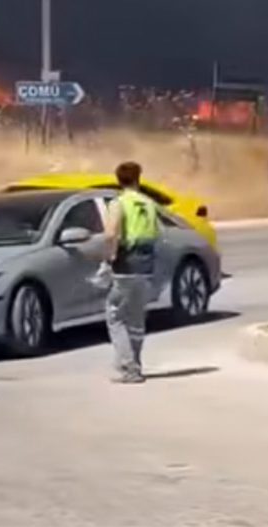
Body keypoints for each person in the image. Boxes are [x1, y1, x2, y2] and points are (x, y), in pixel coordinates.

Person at [101, 161, 161, 383]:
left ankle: (129, 367)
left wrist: (109, 258)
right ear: (138, 178)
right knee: (136, 318)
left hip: (126, 265)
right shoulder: (149, 203)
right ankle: (135, 363)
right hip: (146, 265)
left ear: (118, 180)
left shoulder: (119, 203)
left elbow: (110, 234)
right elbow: (157, 233)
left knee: (115, 315)